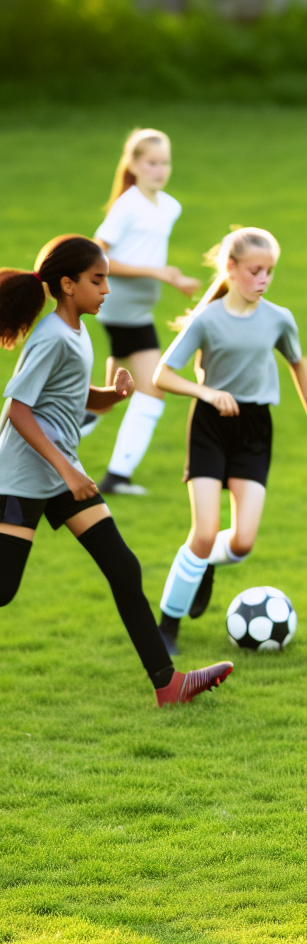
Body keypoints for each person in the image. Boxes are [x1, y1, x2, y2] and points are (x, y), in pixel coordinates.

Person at [0, 235, 233, 707]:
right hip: (23, 475)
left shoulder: (76, 332)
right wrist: (69, 469)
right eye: (97, 280)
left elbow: (69, 397)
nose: (106, 290)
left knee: (123, 567)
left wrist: (112, 395)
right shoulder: (51, 336)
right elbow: (20, 408)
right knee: (0, 589)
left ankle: (167, 683)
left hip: (58, 471)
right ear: (67, 284)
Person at [153, 227, 305, 653]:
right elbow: (161, 374)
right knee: (203, 533)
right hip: (210, 425)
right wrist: (206, 392)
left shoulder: (279, 319)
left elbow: (298, 364)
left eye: (270, 272)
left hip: (255, 429)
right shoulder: (207, 319)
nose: (264, 280)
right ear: (232, 269)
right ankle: (167, 627)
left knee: (242, 542)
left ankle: (201, 567)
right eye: (256, 271)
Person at [89, 129, 200, 495]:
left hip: (140, 307)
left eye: (164, 162)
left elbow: (149, 253)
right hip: (121, 308)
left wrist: (174, 278)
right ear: (134, 165)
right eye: (151, 162)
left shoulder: (170, 206)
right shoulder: (127, 205)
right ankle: (117, 477)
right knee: (152, 390)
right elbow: (98, 257)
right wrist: (157, 273)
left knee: (112, 394)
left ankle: (61, 427)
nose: (159, 170)